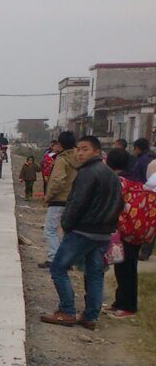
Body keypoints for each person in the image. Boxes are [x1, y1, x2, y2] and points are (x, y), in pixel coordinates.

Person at [40, 136, 123, 330]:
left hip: (83, 231)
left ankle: (67, 311)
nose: (80, 153)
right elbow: (119, 203)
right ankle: (90, 316)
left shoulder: (87, 172)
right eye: (78, 149)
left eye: (85, 149)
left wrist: (67, 224)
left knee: (58, 267)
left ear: (96, 151)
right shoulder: (110, 174)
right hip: (103, 233)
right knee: (94, 274)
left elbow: (77, 203)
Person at [103, 149, 141, 319]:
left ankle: (128, 306)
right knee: (123, 266)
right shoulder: (134, 180)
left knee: (126, 269)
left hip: (123, 231)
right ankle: (119, 303)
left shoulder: (118, 182)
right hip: (134, 229)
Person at [39, 131, 78, 267]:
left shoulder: (62, 159)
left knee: (50, 229)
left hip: (59, 199)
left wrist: (48, 196)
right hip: (73, 200)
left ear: (60, 144)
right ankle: (67, 259)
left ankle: (53, 258)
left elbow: (58, 181)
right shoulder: (79, 159)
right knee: (67, 231)